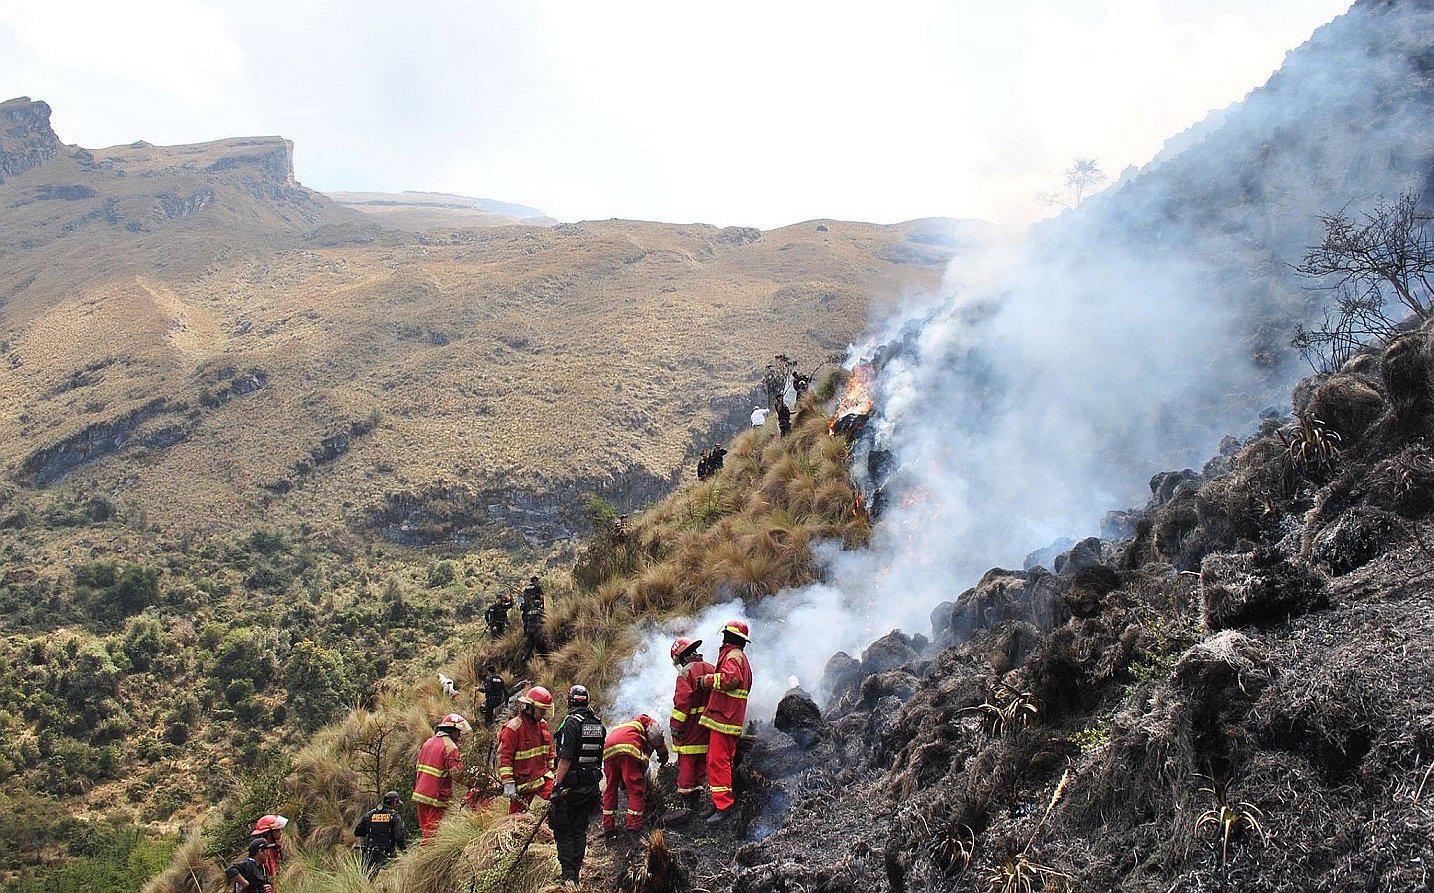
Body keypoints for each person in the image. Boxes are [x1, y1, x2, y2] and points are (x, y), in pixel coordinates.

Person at [549, 684, 607, 886]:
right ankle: (576, 872)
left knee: (564, 830)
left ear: (570, 701)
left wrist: (557, 784)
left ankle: (568, 875)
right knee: (580, 829)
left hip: (571, 787)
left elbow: (565, 758)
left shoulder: (571, 723)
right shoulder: (598, 724)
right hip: (590, 787)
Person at [700, 620, 753, 824]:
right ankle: (719, 801)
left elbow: (729, 680)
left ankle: (724, 805)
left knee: (717, 761)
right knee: (719, 761)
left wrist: (707, 680)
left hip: (725, 718)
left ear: (730, 637)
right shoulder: (738, 656)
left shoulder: (733, 656)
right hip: (727, 717)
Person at [601, 714, 668, 837]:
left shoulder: (623, 726)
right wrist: (663, 754)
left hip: (608, 751)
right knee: (636, 790)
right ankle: (633, 827)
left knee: (610, 788)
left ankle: (608, 826)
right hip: (629, 748)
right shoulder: (646, 720)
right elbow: (657, 734)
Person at [670, 637, 715, 819]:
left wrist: (675, 726)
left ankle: (688, 806)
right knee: (703, 766)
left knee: (687, 765)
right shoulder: (712, 668)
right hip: (709, 727)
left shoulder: (685, 674)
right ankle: (704, 800)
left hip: (689, 730)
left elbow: (682, 703)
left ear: (681, 657)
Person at [412, 713, 471, 838]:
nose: (459, 736)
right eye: (458, 732)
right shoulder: (450, 747)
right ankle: (427, 856)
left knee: (425, 830)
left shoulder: (428, 742)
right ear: (453, 731)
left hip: (420, 793)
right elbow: (458, 774)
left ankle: (422, 855)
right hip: (436, 795)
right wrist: (474, 783)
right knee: (432, 833)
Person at [498, 686, 556, 814]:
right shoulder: (513, 728)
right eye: (541, 711)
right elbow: (504, 758)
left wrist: (555, 771)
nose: (543, 715)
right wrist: (508, 782)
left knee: (559, 800)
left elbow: (550, 753)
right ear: (530, 707)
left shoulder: (542, 725)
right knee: (515, 819)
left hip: (542, 777)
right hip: (523, 783)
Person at [354, 791, 409, 875]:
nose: (398, 805)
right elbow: (399, 837)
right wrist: (404, 851)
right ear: (394, 802)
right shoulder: (394, 816)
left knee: (366, 878)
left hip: (369, 853)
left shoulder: (370, 814)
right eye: (397, 802)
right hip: (387, 855)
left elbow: (357, 831)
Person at [248, 815, 287, 887]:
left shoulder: (274, 848)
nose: (280, 832)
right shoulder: (266, 853)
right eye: (277, 830)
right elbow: (272, 876)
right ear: (269, 833)